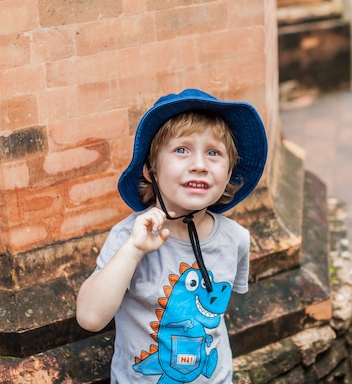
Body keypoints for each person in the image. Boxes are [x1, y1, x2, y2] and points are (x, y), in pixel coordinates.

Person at [76, 88, 268, 383]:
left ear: (229, 173)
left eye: (214, 153)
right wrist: (134, 249)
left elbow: (214, 321)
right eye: (182, 150)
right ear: (151, 169)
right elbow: (90, 318)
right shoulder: (128, 237)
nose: (200, 165)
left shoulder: (237, 238)